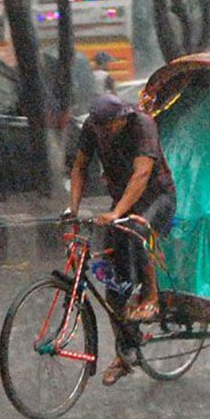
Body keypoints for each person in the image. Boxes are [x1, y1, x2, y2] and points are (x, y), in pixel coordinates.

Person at [66, 93, 177, 386]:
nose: (105, 133)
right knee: (115, 286)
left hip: (157, 197)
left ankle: (152, 297)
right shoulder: (93, 127)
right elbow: (79, 167)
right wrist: (72, 209)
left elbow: (142, 174)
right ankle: (124, 353)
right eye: (100, 127)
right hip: (122, 202)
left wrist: (116, 211)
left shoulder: (142, 125)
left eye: (110, 127)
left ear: (121, 119)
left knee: (139, 229)